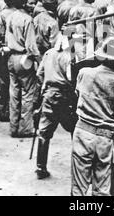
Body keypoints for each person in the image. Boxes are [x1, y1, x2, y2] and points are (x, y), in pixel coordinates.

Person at [72, 37, 114, 196]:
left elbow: (78, 94)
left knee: (79, 186)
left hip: (83, 133)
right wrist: (112, 113)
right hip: (105, 137)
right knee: (102, 187)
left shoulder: (84, 73)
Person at [34, 35, 78, 179]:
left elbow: (39, 74)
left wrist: (45, 87)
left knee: (44, 132)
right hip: (65, 96)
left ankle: (40, 167)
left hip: (48, 95)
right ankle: (77, 168)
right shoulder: (69, 56)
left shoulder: (48, 54)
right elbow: (72, 79)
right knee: (75, 130)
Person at [5, 0, 40, 137]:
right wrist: (40, 61)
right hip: (24, 58)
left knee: (14, 94)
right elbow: (31, 46)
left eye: (34, 3)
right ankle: (25, 128)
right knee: (28, 95)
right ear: (23, 3)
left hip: (11, 57)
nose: (33, 6)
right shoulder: (28, 20)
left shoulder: (11, 17)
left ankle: (13, 127)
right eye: (30, 3)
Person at [0, 0, 19, 122]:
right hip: (17, 51)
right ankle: (14, 112)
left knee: (3, 82)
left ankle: (3, 112)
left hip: (3, 51)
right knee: (15, 83)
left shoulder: (0, 16)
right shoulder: (21, 15)